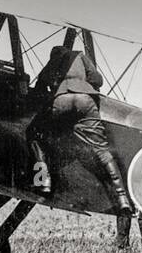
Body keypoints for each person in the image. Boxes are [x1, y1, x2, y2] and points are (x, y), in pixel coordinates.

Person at [43, 45, 131, 215]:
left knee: (37, 134)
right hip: (85, 100)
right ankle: (122, 198)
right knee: (102, 150)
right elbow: (98, 80)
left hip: (62, 100)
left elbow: (44, 79)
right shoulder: (80, 55)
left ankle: (44, 182)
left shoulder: (56, 56)